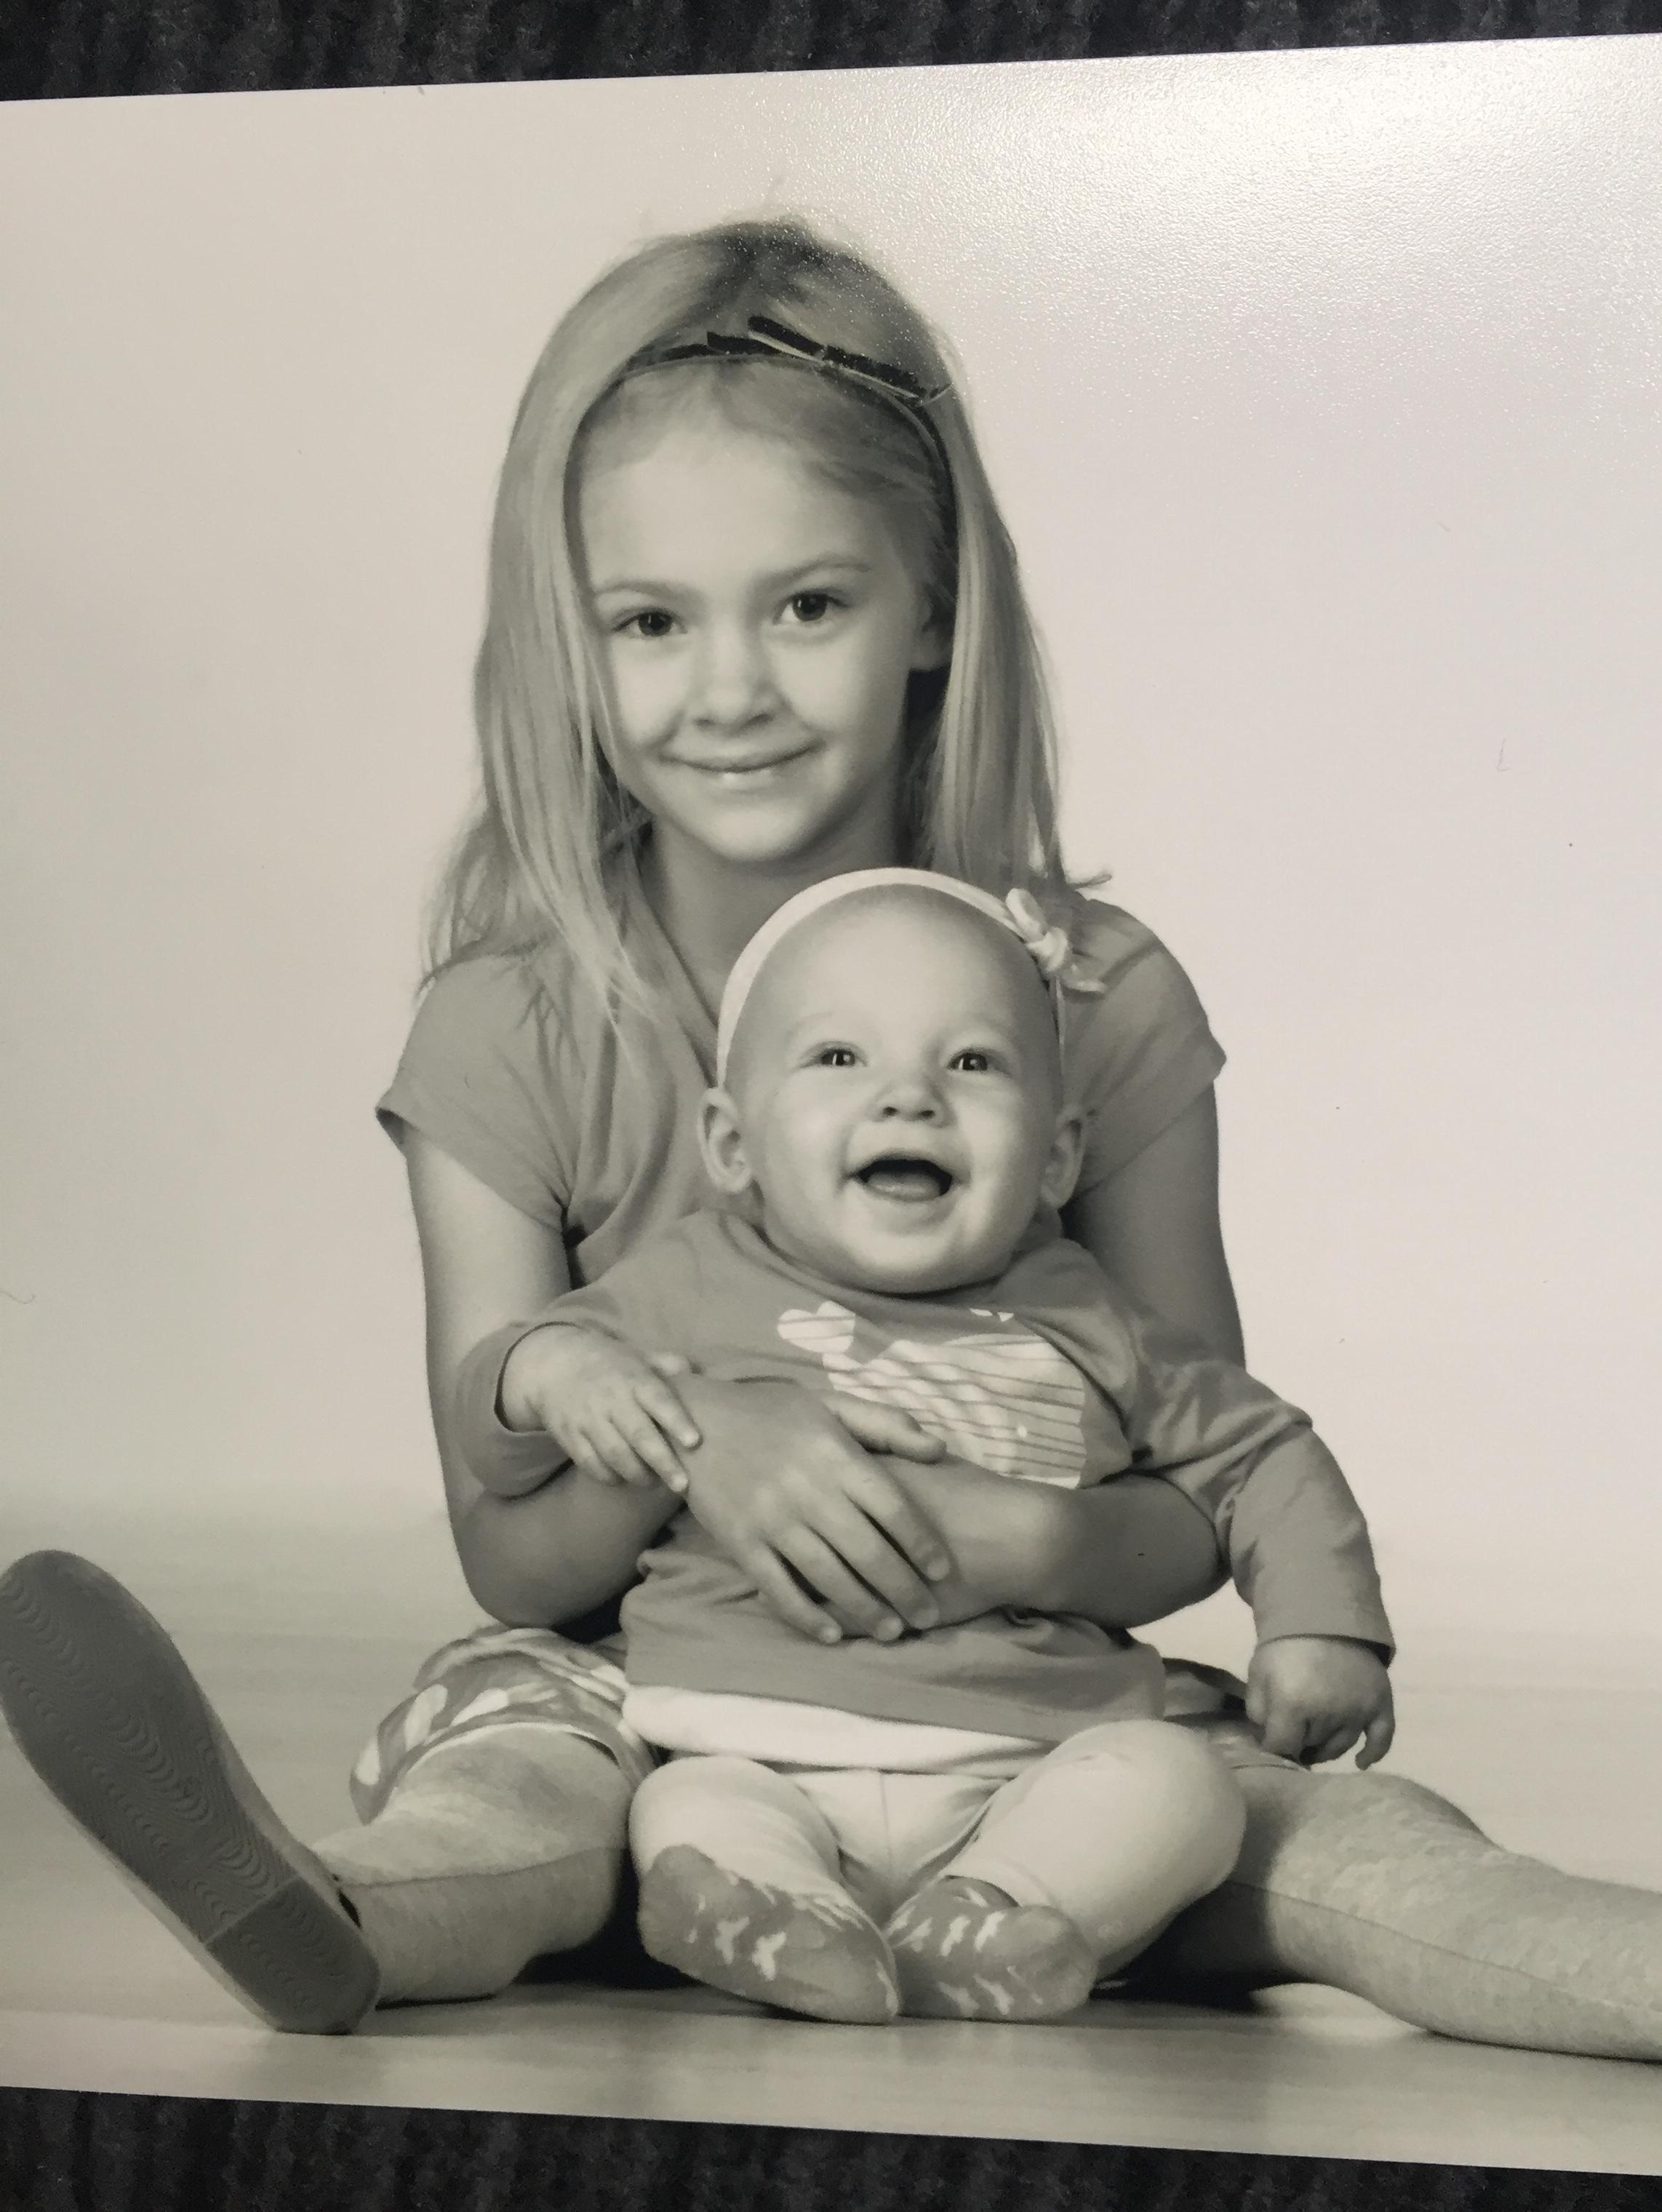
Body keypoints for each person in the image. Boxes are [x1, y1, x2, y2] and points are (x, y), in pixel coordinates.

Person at [1, 219, 1662, 2069]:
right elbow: (515, 1561)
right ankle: (345, 1913)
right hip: (657, 1704)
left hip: (1018, 1725)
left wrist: (1030, 1539)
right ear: (567, 646)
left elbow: (1199, 1483)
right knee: (519, 1770)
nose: (732, 690)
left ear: (932, 609)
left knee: (1309, 1832)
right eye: (650, 621)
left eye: (808, 606)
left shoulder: (1095, 1002)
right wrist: (708, 1448)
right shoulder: (507, 1031)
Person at [464, 866, 1393, 2024]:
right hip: (749, 1736)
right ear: (732, 1143)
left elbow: (1260, 1454)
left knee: (1180, 1789)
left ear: (1056, 1158)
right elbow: (504, 1403)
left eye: (973, 1063)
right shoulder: (690, 1283)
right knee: (688, 1809)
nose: (909, 1098)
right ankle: (774, 1912)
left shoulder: (1094, 1319)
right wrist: (556, 1372)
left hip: (1025, 1763)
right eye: (838, 1056)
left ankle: (992, 1915)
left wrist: (1320, 1626)